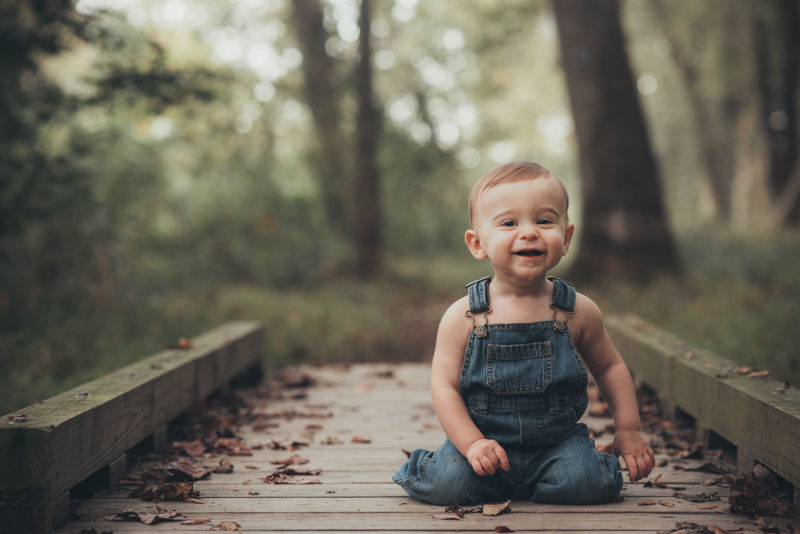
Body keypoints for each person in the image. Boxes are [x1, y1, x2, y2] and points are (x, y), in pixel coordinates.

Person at [392, 161, 655, 505]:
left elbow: (610, 368)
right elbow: (444, 386)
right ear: (477, 243)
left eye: (544, 221)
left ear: (567, 238)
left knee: (587, 485)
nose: (529, 232)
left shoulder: (578, 310)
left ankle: (549, 477)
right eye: (509, 223)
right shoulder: (464, 315)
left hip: (556, 445)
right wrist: (471, 443)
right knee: (449, 486)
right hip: (482, 443)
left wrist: (629, 429)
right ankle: (440, 466)